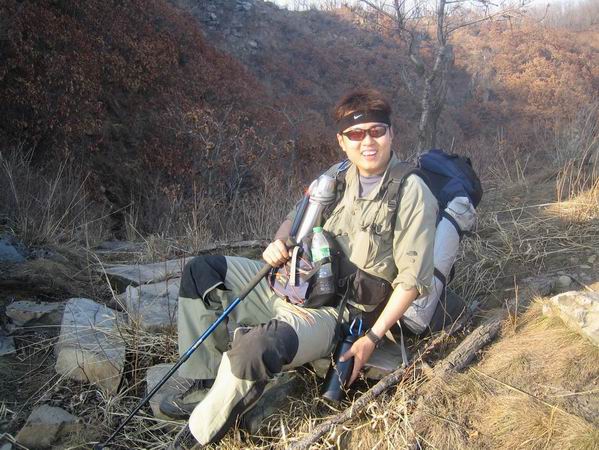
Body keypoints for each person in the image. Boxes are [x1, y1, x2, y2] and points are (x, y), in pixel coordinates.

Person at [163, 88, 439, 449]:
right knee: (202, 272)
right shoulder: (337, 175)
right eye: (356, 134)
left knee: (255, 348)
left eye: (376, 131)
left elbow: (411, 282)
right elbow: (294, 220)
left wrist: (371, 339)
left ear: (391, 134)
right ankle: (202, 382)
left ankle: (196, 435)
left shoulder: (410, 190)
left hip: (335, 312)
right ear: (342, 141)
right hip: (292, 280)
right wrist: (278, 243)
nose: (368, 142)